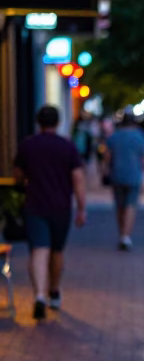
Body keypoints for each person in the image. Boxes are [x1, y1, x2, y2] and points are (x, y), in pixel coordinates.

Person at [13, 104, 87, 320]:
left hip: (34, 204)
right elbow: (78, 179)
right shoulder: (67, 147)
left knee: (38, 249)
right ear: (58, 122)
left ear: (38, 122)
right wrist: (82, 208)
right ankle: (54, 291)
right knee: (57, 251)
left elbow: (17, 175)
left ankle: (39, 296)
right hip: (61, 207)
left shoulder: (28, 145)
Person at [106, 111, 144, 250]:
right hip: (134, 175)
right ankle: (126, 235)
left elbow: (107, 157)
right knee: (131, 205)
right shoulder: (139, 137)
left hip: (117, 174)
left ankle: (121, 233)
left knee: (119, 205)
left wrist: (106, 171)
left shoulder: (114, 136)